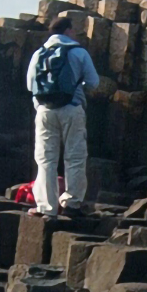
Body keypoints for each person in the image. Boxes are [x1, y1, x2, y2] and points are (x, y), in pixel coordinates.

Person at [24, 14, 102, 215]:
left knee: (45, 159)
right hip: (71, 108)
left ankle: (46, 207)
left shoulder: (39, 53)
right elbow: (93, 82)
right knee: (74, 156)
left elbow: (29, 85)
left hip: (43, 110)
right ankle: (72, 203)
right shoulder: (78, 51)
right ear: (68, 30)